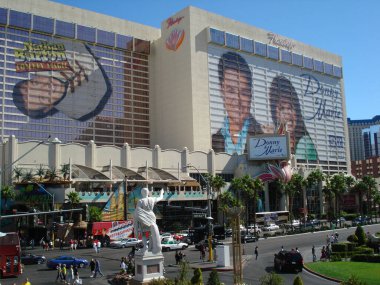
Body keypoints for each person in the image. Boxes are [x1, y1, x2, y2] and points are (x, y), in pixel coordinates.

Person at [12, 38, 112, 121]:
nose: (46, 88)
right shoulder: (80, 109)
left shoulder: (52, 56)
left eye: (35, 83)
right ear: (49, 107)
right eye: (43, 97)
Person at [212, 51, 263, 154]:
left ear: (250, 95)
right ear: (222, 91)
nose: (237, 99)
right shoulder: (214, 139)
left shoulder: (261, 136)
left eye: (244, 92)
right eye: (231, 91)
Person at [268, 75, 318, 160]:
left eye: (290, 107)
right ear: (274, 113)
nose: (288, 114)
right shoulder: (271, 141)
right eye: (282, 108)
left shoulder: (305, 144)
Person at [133, 187, 164, 255]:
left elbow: (137, 211)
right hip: (152, 216)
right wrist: (161, 192)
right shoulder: (152, 199)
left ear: (142, 193)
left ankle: (145, 248)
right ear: (148, 193)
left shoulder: (141, 201)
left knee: (144, 233)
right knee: (152, 232)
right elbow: (160, 197)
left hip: (144, 217)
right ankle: (152, 246)